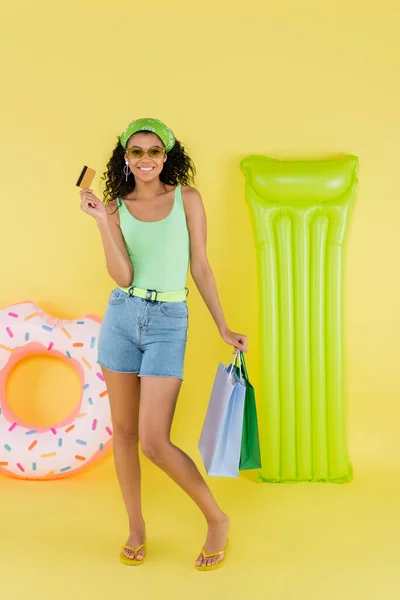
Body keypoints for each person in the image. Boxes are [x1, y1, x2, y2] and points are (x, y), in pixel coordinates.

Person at [79, 118, 248, 571]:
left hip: (169, 320)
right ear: (125, 158)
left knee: (154, 441)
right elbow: (123, 276)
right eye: (137, 152)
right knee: (126, 433)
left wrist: (222, 326)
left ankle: (216, 519)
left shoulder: (187, 199)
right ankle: (136, 527)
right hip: (121, 316)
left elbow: (202, 268)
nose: (146, 159)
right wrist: (101, 220)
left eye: (155, 151)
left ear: (167, 156)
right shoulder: (113, 207)